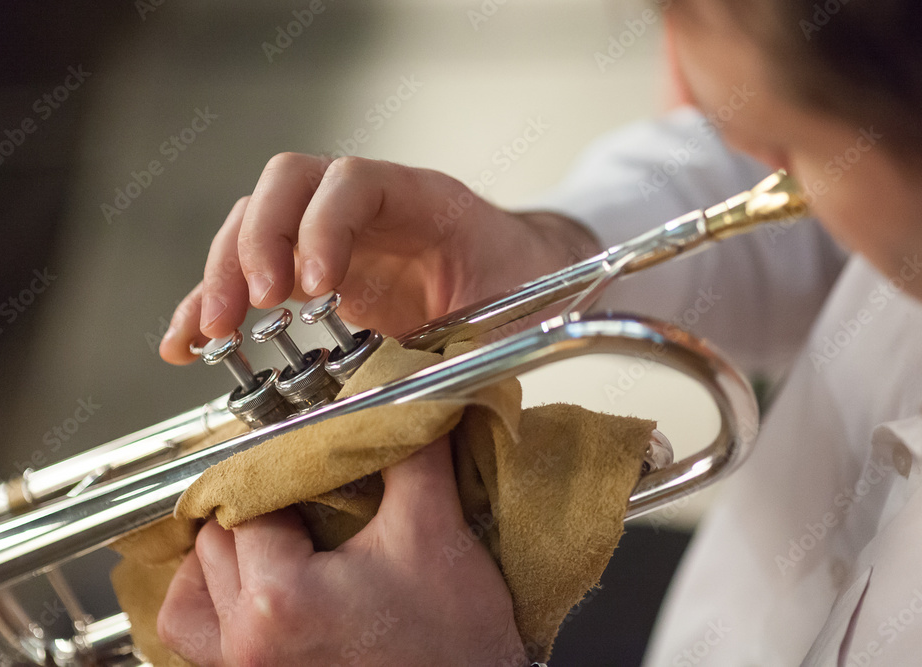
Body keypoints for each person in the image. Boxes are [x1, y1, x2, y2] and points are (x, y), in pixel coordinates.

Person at [155, 0, 922, 663]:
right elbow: (801, 202)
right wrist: (557, 248)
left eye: (788, 148)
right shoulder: (875, 142)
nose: (771, 174)